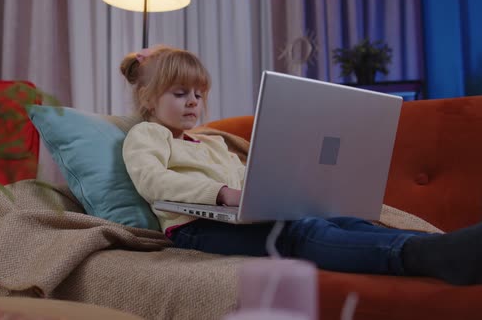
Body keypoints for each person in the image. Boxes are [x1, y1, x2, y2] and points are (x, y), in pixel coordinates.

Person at [120, 45, 482, 286]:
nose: (193, 103)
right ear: (148, 99)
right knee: (301, 233)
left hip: (235, 214)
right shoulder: (147, 135)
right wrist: (221, 193)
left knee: (340, 220)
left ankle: (442, 247)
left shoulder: (212, 142)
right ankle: (419, 256)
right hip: (192, 225)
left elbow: (248, 178)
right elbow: (153, 181)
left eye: (199, 95)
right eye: (180, 94)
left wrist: (281, 188)